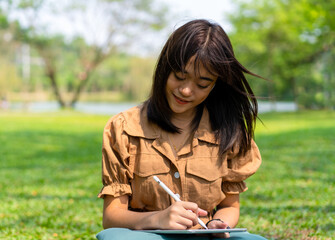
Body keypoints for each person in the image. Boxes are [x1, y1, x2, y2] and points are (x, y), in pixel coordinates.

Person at [96, 19, 267, 240]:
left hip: (202, 237)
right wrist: (157, 219)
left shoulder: (228, 132)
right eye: (179, 76)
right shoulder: (123, 128)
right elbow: (112, 216)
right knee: (115, 237)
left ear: (216, 84)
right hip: (148, 236)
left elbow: (230, 207)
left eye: (202, 84)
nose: (186, 90)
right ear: (165, 68)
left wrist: (218, 223)